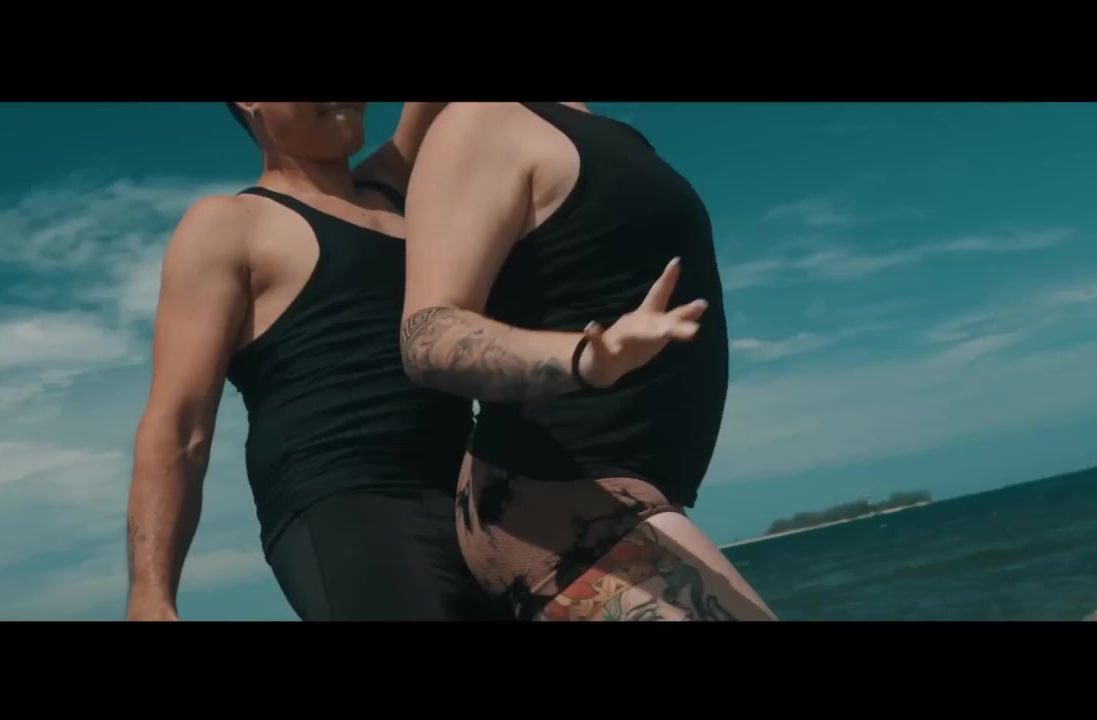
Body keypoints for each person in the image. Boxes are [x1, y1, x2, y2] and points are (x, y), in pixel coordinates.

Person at [125, 102, 508, 621]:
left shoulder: (395, 191)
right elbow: (180, 425)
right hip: (346, 507)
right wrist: (150, 595)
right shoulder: (229, 226)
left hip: (475, 504)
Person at [398, 101, 778, 621]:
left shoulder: (611, 135)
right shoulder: (483, 120)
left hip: (623, 501)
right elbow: (427, 334)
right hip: (556, 498)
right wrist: (584, 358)